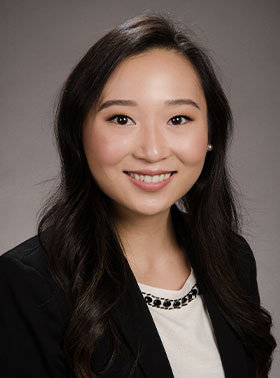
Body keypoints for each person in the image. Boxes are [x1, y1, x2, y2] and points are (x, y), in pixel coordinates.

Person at [0, 12, 276, 378]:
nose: (152, 150)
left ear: (211, 135)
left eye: (178, 119)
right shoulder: (28, 285)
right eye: (121, 119)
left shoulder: (233, 260)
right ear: (78, 133)